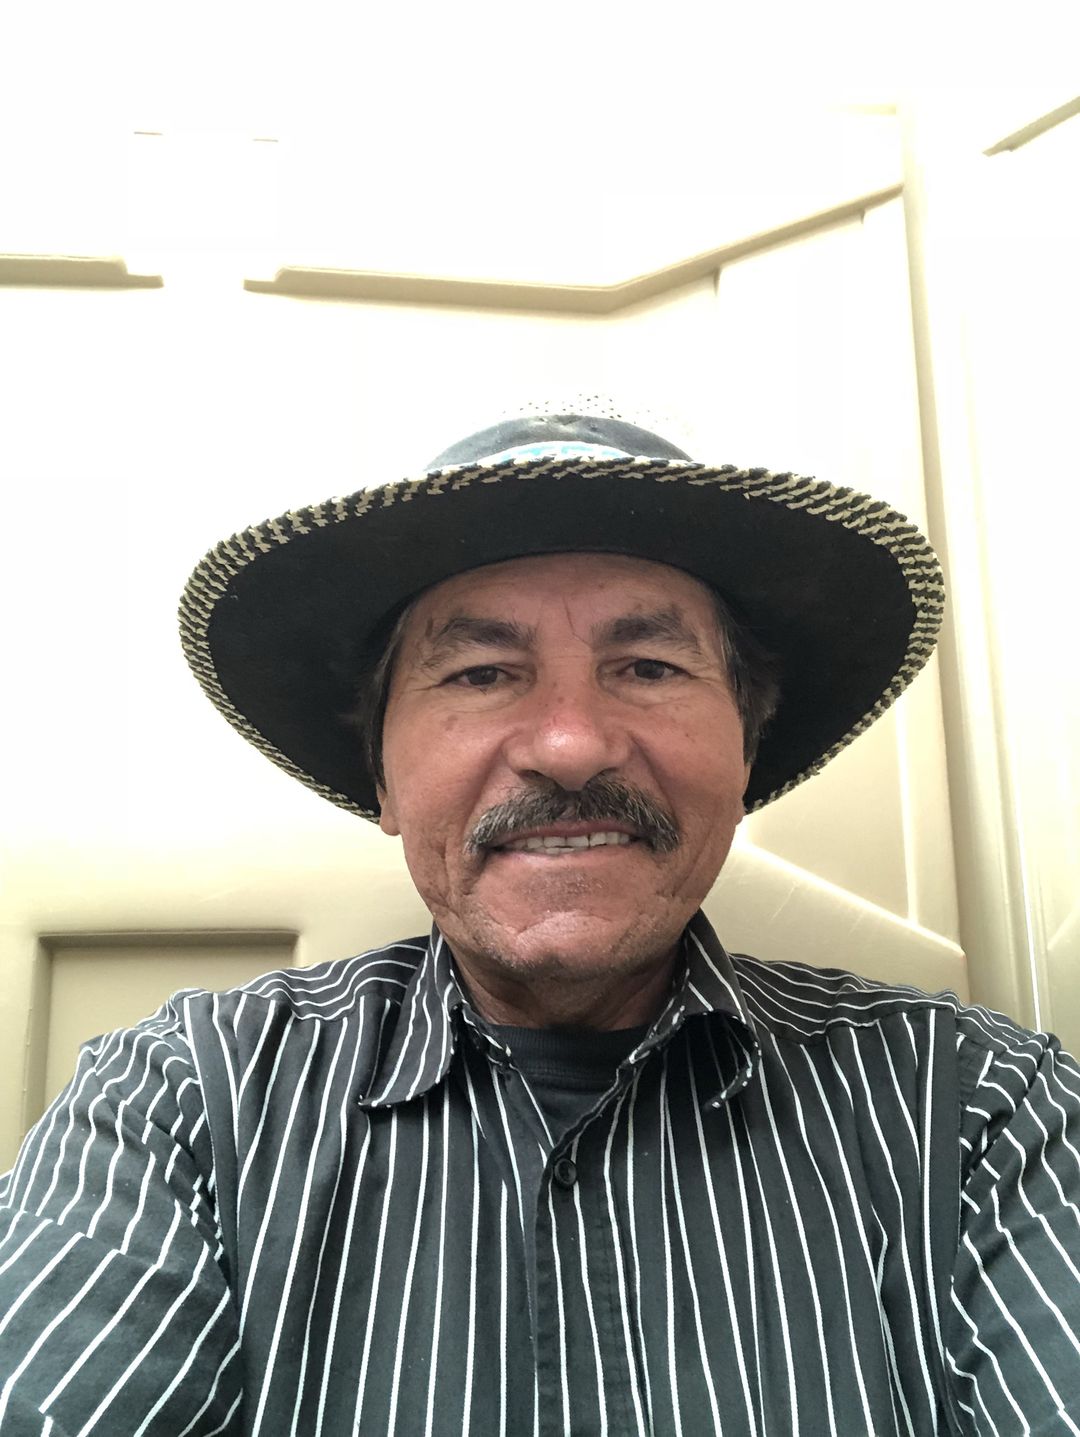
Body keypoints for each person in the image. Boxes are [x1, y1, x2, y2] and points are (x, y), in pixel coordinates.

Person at [1, 402, 1078, 1436]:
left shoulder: (980, 1112)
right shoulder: (182, 1104)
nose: (569, 746)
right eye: (482, 672)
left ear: (746, 752)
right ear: (382, 775)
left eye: (648, 667)